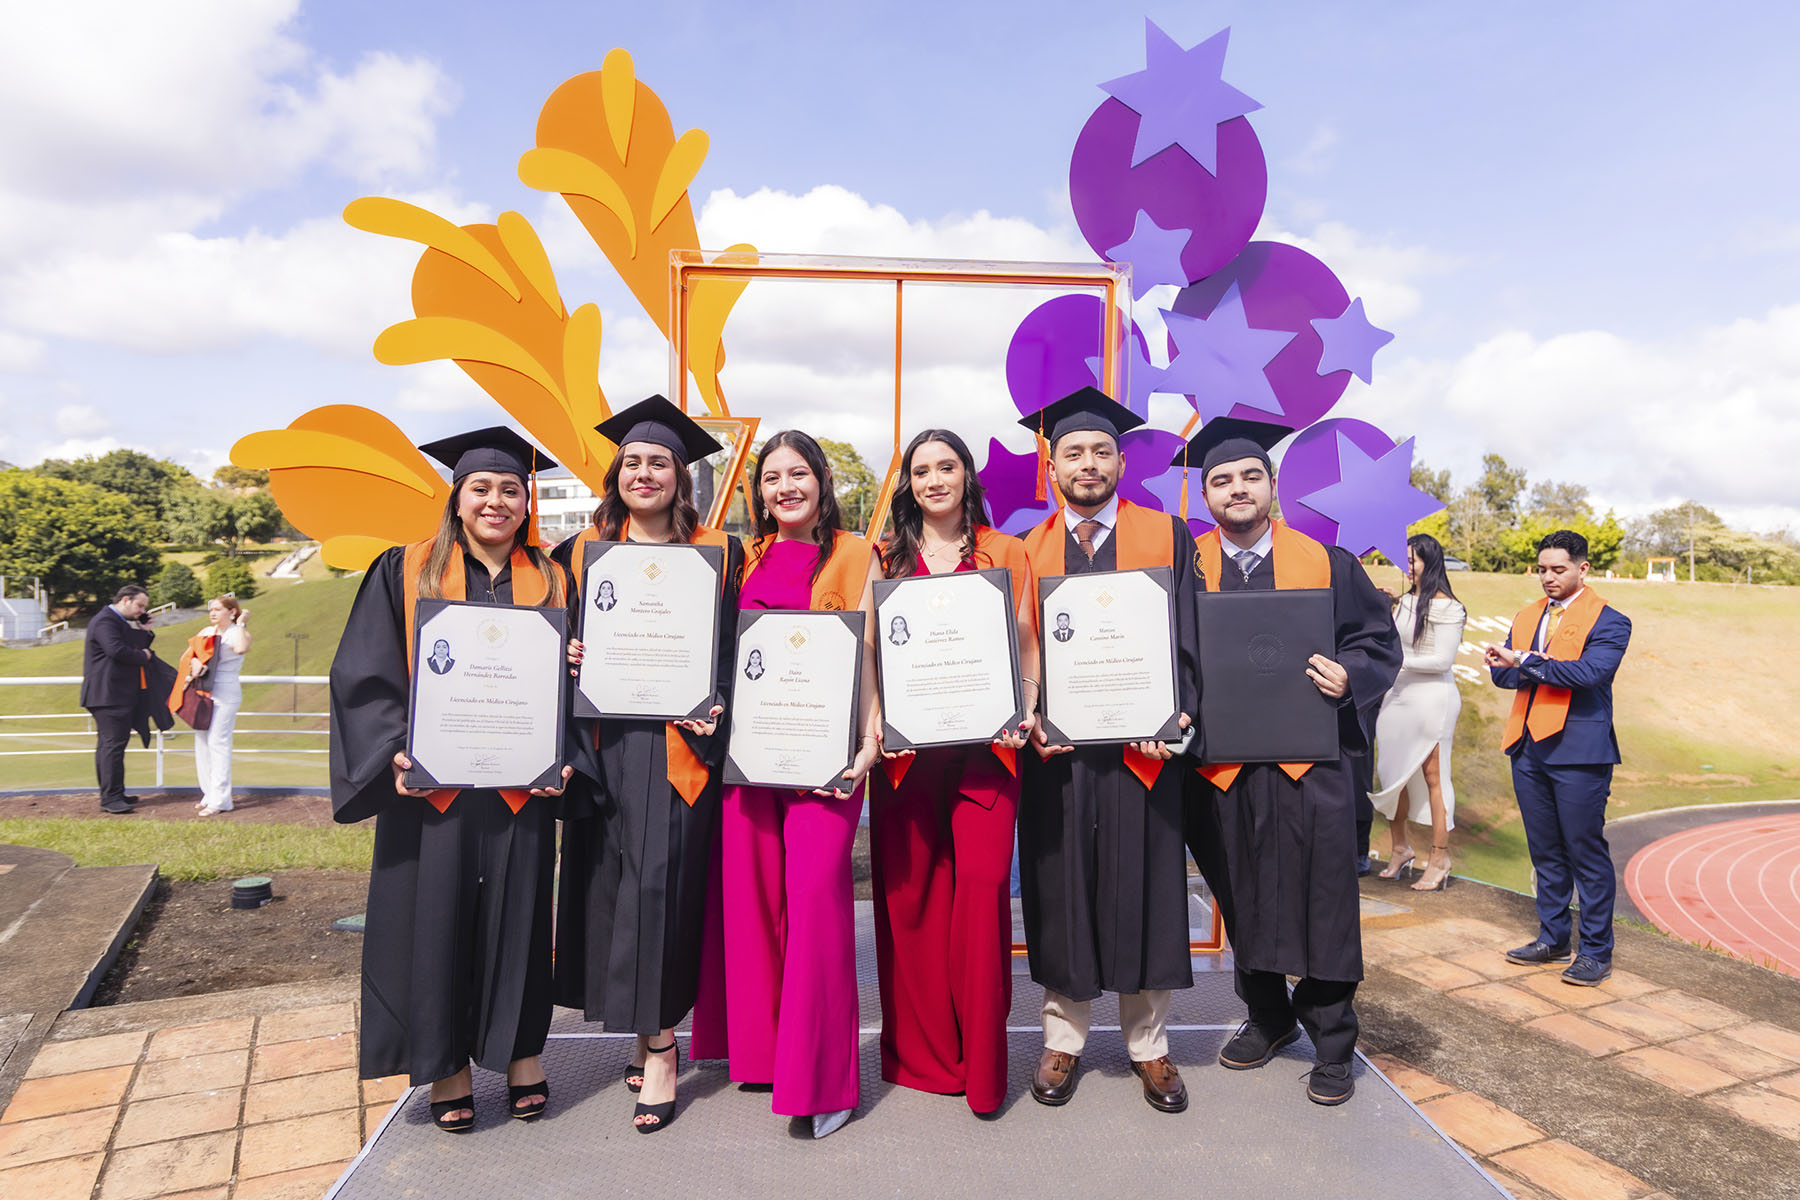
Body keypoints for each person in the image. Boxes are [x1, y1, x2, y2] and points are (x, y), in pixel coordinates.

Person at [328, 426, 573, 1133]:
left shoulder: (554, 578)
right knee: (432, 924)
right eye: (482, 488)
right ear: (458, 498)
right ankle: (447, 1067)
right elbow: (363, 673)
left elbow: (572, 686)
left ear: (526, 501)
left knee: (523, 919)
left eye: (510, 489)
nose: (496, 501)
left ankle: (523, 1055)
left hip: (518, 791)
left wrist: (565, 758)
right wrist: (394, 753)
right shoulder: (404, 570)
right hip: (431, 793)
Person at [1179, 417, 1401, 1107]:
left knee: (1325, 902)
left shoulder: (1327, 562)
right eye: (1220, 481)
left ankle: (1334, 1042)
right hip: (1223, 772)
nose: (1236, 490)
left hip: (1313, 767)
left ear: (1272, 486)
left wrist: (1351, 675)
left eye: (1249, 476)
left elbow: (1376, 641)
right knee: (1244, 898)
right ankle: (1268, 1017)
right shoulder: (1186, 569)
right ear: (1205, 497)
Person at [553, 396, 743, 1134]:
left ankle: (660, 1045)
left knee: (660, 894)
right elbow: (557, 646)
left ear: (680, 477)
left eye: (659, 462)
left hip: (674, 749)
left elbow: (731, 647)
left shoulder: (717, 553)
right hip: (603, 750)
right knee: (613, 893)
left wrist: (715, 701)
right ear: (616, 474)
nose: (644, 472)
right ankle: (638, 1029)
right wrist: (569, 659)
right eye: (632, 461)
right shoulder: (580, 555)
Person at [690, 428, 881, 1140]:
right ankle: (767, 1054)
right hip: (752, 757)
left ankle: (825, 1080)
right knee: (752, 902)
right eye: (772, 478)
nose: (785, 488)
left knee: (816, 902)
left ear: (821, 481)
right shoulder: (742, 559)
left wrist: (868, 741)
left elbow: (872, 660)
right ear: (758, 491)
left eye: (798, 474)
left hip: (828, 762)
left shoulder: (860, 554)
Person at [1016, 387, 1199, 1115]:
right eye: (1072, 453)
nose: (1087, 465)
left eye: (1100, 452)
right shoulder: (1024, 548)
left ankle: (1149, 1046)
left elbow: (1188, 636)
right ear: (1051, 465)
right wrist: (1023, 714)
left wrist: (1179, 712)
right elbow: (1014, 653)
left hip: (1141, 751)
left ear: (1121, 460)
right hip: (1056, 755)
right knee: (1060, 890)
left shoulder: (1166, 535)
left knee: (1147, 888)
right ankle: (1063, 1038)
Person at [869, 429, 1037, 1118]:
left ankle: (985, 1070)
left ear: (967, 474)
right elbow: (871, 654)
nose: (934, 479)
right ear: (908, 483)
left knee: (981, 891)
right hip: (908, 759)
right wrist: (876, 721)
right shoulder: (885, 556)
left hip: (987, 753)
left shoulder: (1007, 552)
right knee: (913, 906)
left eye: (947, 466)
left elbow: (1027, 649)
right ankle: (926, 1054)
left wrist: (1025, 710)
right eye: (921, 470)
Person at [1484, 529, 1631, 986]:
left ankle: (1595, 952)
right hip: (1527, 746)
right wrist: (1516, 665)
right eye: (1543, 569)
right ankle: (1553, 938)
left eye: (1558, 569)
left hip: (1579, 752)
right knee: (1545, 851)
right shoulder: (1527, 615)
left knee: (1585, 852)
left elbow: (1590, 673)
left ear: (1582, 568)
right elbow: (1502, 678)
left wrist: (1524, 661)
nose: (1547, 577)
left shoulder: (1610, 620)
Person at [1372, 534, 1467, 890]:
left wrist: (1395, 662)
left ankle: (1439, 857)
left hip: (1432, 700)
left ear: (1431, 561)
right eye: (1405, 560)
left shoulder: (1451, 608)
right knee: (1393, 773)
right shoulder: (1407, 602)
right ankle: (1400, 849)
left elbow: (1442, 660)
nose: (1406, 567)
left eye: (1412, 561)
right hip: (1397, 697)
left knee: (1433, 777)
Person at [170, 595, 252, 816]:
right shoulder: (206, 632)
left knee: (218, 741)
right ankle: (209, 794)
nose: (212, 613)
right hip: (204, 690)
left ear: (231, 611)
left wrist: (242, 623)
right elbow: (187, 656)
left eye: (218, 609)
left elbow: (242, 649)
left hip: (226, 691)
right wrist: (196, 663)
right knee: (202, 741)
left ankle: (222, 799)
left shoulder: (237, 632)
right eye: (211, 609)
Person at [80, 584, 154, 814]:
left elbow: (127, 645)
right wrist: (143, 656)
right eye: (139, 605)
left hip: (111, 694)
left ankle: (114, 793)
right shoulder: (105, 621)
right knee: (112, 746)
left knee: (111, 745)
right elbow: (117, 650)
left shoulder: (116, 622)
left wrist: (145, 630)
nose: (141, 610)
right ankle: (110, 798)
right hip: (108, 695)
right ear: (125, 600)